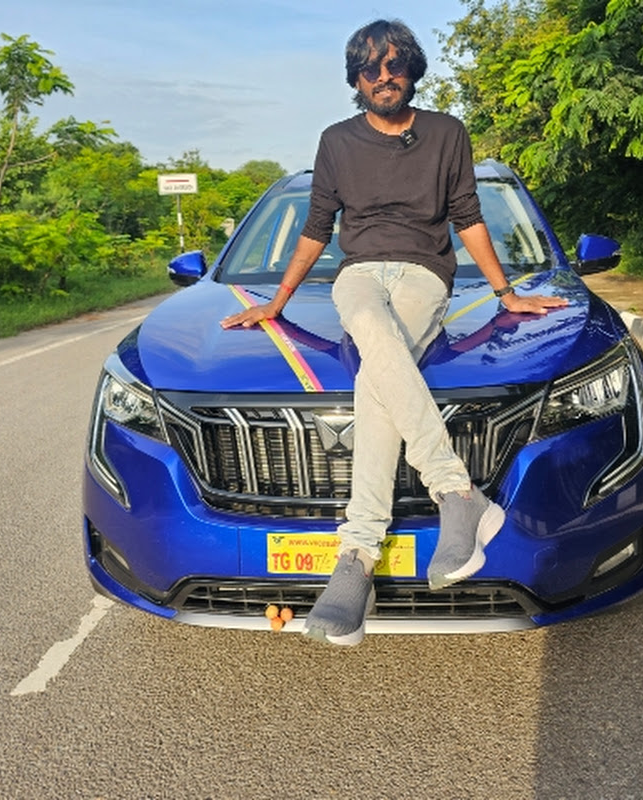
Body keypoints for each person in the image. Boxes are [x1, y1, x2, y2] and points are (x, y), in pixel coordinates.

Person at [220, 19, 567, 646]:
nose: (384, 76)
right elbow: (316, 227)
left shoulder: (446, 133)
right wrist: (277, 301)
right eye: (370, 67)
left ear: (411, 70)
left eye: (394, 64)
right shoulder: (335, 141)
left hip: (424, 273)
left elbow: (468, 217)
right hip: (356, 274)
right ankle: (456, 492)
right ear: (356, 79)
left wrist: (506, 293)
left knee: (374, 373)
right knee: (371, 332)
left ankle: (356, 558)